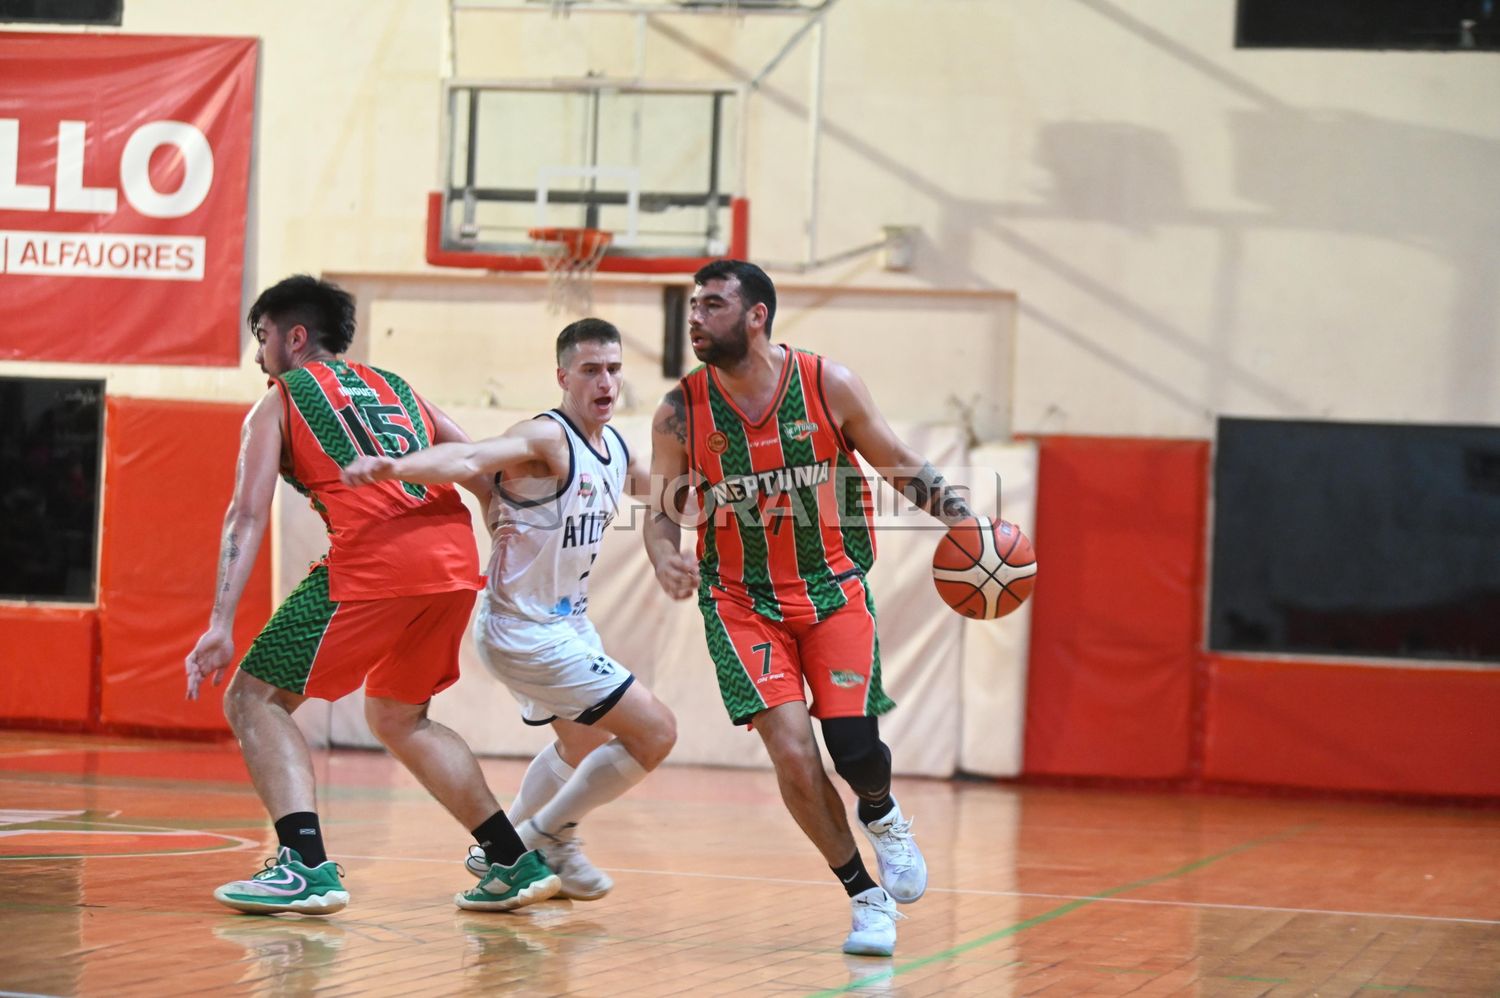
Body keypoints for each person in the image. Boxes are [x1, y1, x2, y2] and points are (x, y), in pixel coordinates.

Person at [185, 274, 559, 915]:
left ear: (294, 338)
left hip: (375, 564)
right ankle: (509, 859)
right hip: (450, 560)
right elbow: (472, 460)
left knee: (252, 699)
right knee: (397, 716)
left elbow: (245, 518)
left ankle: (302, 866)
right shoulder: (398, 386)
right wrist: (499, 526)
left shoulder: (278, 400)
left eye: (263, 338)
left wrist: (221, 621)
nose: (258, 356)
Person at [644, 260, 972, 957]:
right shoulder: (680, 411)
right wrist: (661, 552)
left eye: (711, 305)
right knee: (793, 754)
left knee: (853, 750)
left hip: (832, 590)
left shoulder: (829, 383)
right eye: (693, 306)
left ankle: (881, 813)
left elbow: (899, 463)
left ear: (756, 315)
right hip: (740, 602)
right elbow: (662, 513)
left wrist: (963, 520)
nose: (695, 318)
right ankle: (865, 898)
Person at [341, 317, 677, 902]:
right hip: (523, 629)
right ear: (563, 376)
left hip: (566, 623)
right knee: (655, 732)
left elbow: (672, 493)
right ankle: (540, 837)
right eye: (591, 370)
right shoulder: (546, 438)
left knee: (581, 747)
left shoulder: (615, 448)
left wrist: (747, 487)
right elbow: (472, 457)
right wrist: (397, 467)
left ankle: (507, 855)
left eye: (615, 369)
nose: (606, 382)